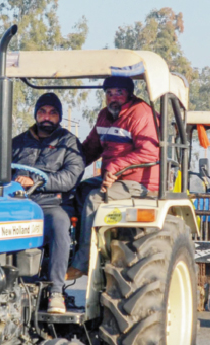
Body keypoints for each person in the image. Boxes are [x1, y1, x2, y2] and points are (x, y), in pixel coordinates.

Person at [66, 76, 159, 280]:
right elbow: (91, 148)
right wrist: (66, 164)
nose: (113, 98)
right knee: (78, 191)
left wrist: (115, 168)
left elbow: (150, 153)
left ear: (129, 94)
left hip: (139, 182)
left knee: (93, 198)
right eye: (109, 93)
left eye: (119, 92)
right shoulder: (104, 116)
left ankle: (82, 262)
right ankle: (74, 247)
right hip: (112, 177)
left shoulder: (141, 114)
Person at [11, 92, 84, 314]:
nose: (46, 117)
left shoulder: (69, 143)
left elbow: (70, 177)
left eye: (52, 113)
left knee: (60, 225)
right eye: (42, 111)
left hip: (51, 204)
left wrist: (36, 182)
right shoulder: (17, 142)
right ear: (36, 114)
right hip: (19, 204)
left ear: (59, 117)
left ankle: (56, 291)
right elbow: (0, 174)